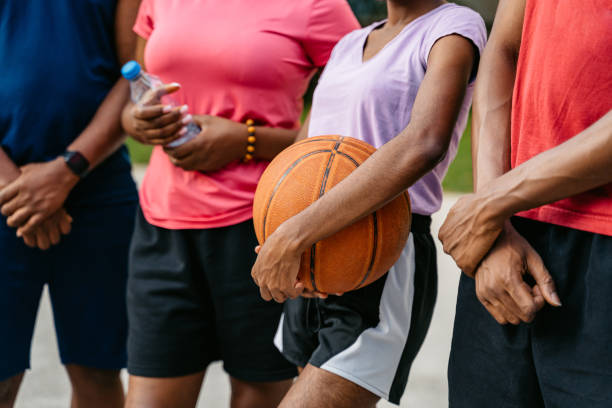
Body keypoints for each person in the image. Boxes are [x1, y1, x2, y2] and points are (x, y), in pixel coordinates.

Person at [120, 1, 359, 407]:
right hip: (162, 226)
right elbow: (139, 93)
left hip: (262, 230)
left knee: (259, 394)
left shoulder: (318, 5)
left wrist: (247, 141)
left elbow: (352, 114)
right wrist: (135, 121)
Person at [250, 0, 486, 406]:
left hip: (380, 251)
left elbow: (423, 143)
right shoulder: (349, 43)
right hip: (312, 252)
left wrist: (292, 235)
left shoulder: (453, 27)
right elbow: (302, 152)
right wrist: (286, 238)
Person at [437, 0, 612, 406]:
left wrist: (491, 203)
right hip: (509, 241)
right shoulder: (497, 222)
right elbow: (503, 50)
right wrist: (494, 225)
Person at [0, 1, 141, 407]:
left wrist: (67, 170)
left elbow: (132, 70)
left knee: (98, 370)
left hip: (98, 190)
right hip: (6, 191)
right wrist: (18, 191)